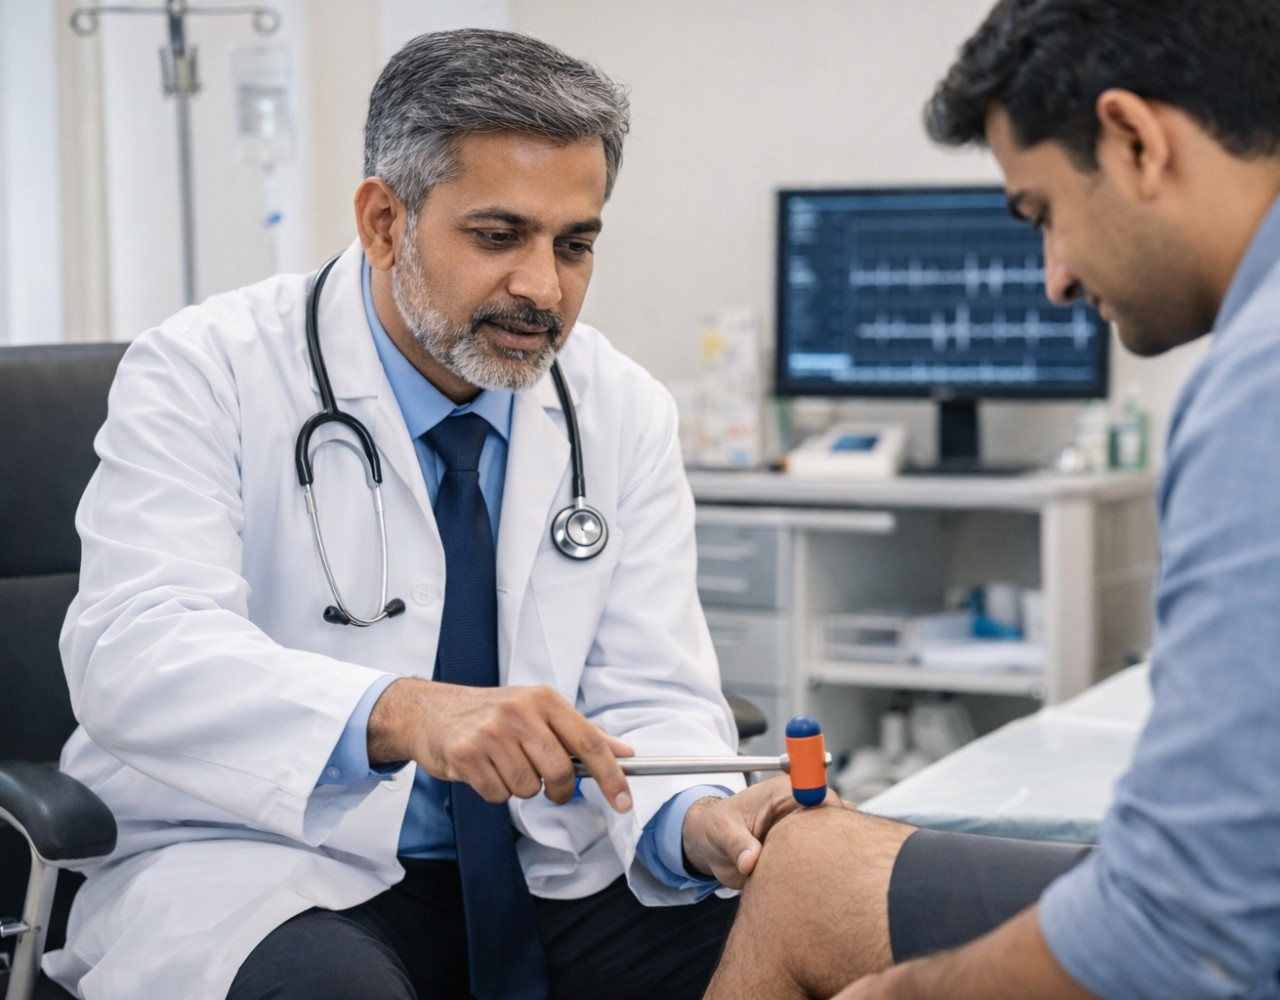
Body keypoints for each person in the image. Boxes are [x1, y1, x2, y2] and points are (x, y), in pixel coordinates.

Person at [706, 1, 1280, 998]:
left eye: (1043, 214)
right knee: (811, 865)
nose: (1055, 280)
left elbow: (1175, 936)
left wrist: (901, 994)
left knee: (804, 888)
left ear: (1134, 140)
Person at [45, 29, 808, 1000]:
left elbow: (652, 690)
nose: (544, 287)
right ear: (383, 222)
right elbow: (135, 652)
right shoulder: (204, 371)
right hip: (268, 858)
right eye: (498, 236)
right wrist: (403, 712)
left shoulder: (620, 406)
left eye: (575, 245)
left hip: (553, 863)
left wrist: (695, 817)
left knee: (812, 927)